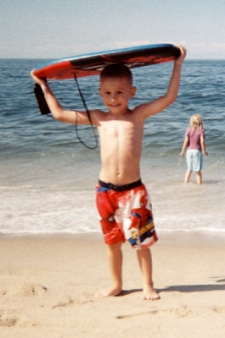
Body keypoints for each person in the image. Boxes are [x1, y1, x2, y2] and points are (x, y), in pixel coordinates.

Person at [31, 45, 186, 301]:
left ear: (132, 92)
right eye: (107, 93)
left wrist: (177, 64)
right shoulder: (99, 117)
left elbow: (168, 98)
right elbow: (58, 114)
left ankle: (148, 285)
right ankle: (116, 284)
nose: (113, 98)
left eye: (119, 92)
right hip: (105, 191)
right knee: (112, 243)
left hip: (133, 192)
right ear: (100, 93)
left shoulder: (138, 115)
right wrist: (44, 86)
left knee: (141, 243)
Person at [180, 114, 208, 184]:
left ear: (191, 122)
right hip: (197, 151)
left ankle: (185, 184)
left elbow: (186, 141)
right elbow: (202, 142)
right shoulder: (201, 130)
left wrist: (182, 151)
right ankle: (199, 185)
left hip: (189, 151)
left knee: (189, 169)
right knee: (197, 170)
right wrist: (204, 151)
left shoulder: (189, 130)